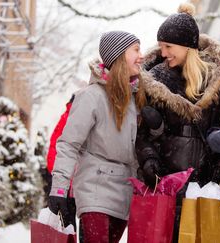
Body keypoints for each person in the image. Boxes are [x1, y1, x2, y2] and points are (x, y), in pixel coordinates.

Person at [136, 3, 220, 242]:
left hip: (208, 181)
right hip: (166, 180)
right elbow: (143, 133)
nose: (163, 53)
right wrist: (149, 161)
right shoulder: (155, 78)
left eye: (168, 46)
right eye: (161, 46)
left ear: (188, 46)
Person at [48, 30, 146, 243]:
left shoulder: (137, 99)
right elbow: (68, 144)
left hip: (124, 191)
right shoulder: (91, 97)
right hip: (95, 188)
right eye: (136, 50)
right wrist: (58, 188)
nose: (142, 55)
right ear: (119, 56)